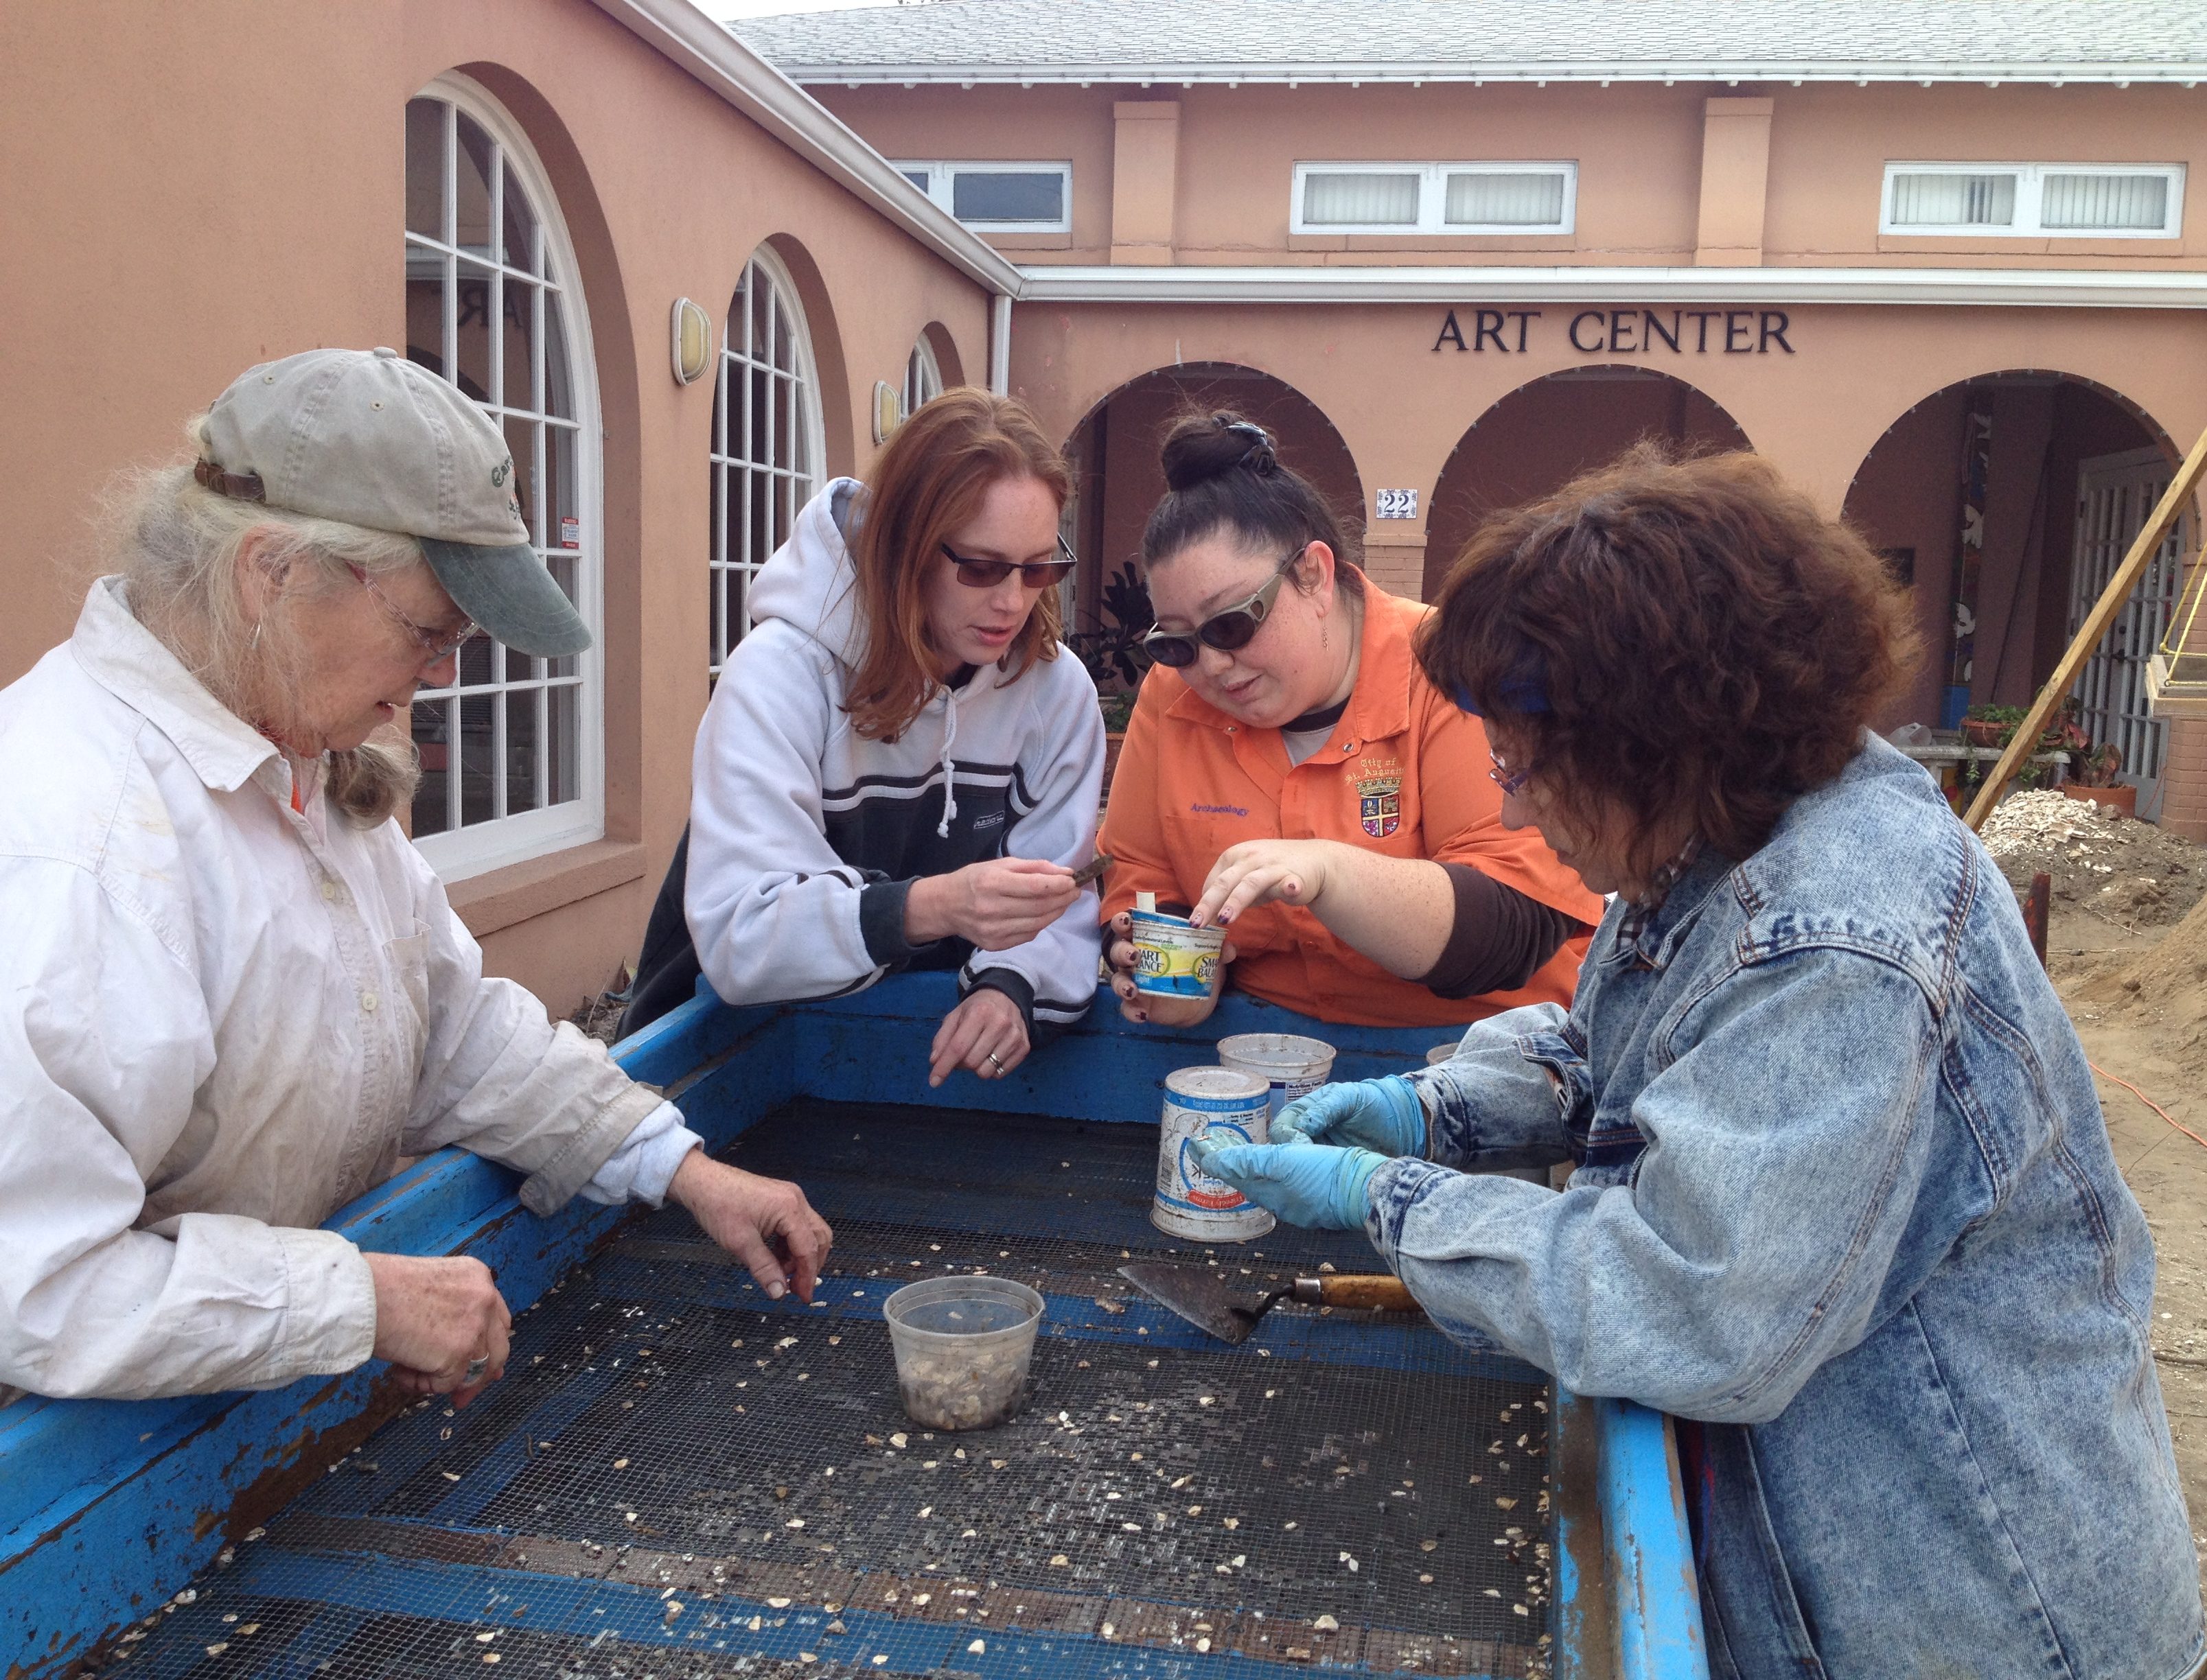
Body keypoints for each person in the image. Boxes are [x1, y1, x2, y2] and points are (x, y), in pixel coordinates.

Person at [1193, 447, 2207, 1679]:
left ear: (1648, 736)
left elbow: (1687, 1302)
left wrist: (1389, 1201)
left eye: (1524, 766)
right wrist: (1433, 1111)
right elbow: (1608, 1045)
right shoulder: (1713, 828)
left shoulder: (1840, 935)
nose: (1512, 811)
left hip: (1969, 1610)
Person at [0, 349, 831, 1408]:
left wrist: (678, 1167)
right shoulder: (76, 845)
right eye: (428, 631)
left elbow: (452, 1027)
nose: (438, 678)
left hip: (247, 1401)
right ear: (273, 570)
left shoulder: (291, 751)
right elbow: (40, 1286)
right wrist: (356, 1302)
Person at [624, 388, 1103, 1086]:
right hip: (717, 1065)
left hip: (914, 1065)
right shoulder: (778, 674)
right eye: (981, 565)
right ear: (905, 546)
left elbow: (1061, 899)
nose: (1013, 600)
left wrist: (1012, 985)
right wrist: (936, 905)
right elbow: (742, 936)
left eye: (1040, 567)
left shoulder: (1056, 690)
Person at [1096, 412, 1601, 1030]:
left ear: (1314, 574)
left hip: (1481, 1049)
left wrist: (1329, 874)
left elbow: (1516, 922)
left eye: (1230, 624)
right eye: (1176, 644)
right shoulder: (1172, 695)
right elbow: (1140, 872)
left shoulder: (1449, 665)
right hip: (1266, 1042)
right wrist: (1165, 957)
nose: (1211, 665)